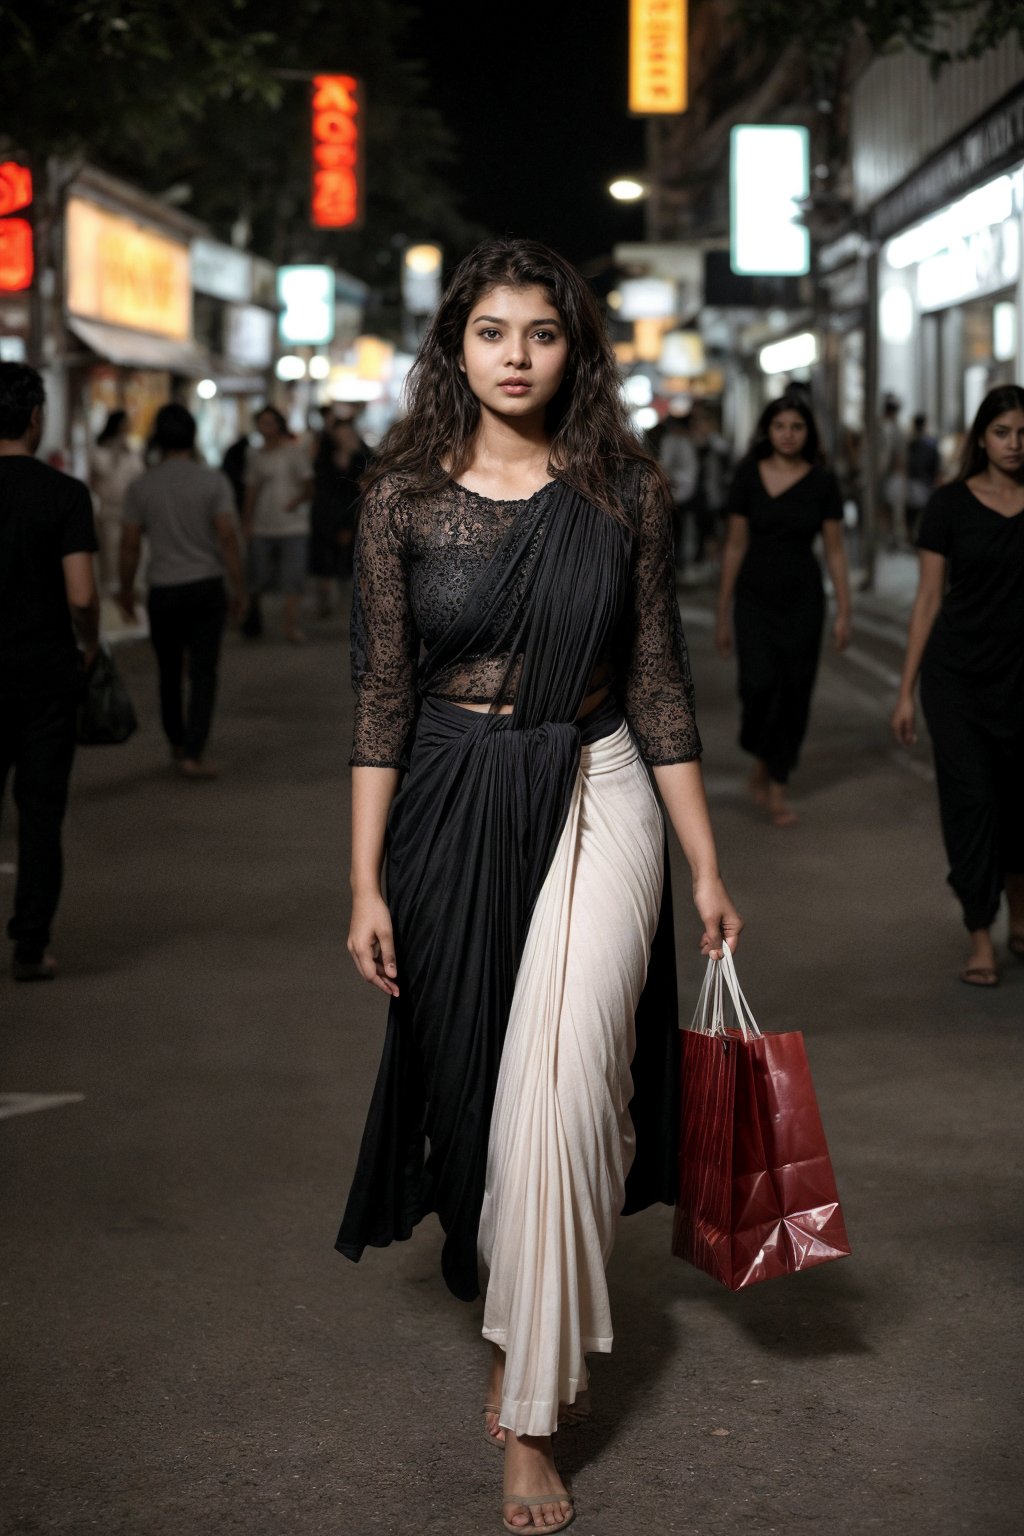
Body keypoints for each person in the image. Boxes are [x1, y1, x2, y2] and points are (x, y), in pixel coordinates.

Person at [335, 237, 742, 1535]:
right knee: (481, 1095)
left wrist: (705, 860)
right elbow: (385, 695)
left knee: (568, 1098)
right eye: (494, 331)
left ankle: (529, 1410)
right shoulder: (400, 495)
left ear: (577, 347)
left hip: (598, 777)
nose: (518, 356)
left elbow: (661, 682)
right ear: (457, 346)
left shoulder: (625, 487)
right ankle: (515, 1303)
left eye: (543, 332)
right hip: (452, 798)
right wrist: (363, 880)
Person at [891, 385, 1024, 987]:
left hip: (1022, 679)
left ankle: (1019, 918)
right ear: (981, 438)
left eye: (1023, 433)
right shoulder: (948, 505)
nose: (1014, 445)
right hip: (957, 680)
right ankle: (980, 934)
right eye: (1002, 433)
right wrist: (904, 690)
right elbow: (926, 601)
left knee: (1020, 803)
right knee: (971, 803)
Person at [0, 362, 100, 980]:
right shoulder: (64, 494)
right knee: (40, 814)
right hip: (42, 676)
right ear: (37, 418)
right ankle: (30, 945)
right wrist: (89, 645)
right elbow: (83, 594)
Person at [715, 395, 852, 828]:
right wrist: (723, 611)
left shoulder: (823, 482)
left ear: (808, 433)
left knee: (794, 691)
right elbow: (735, 544)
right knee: (757, 686)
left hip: (803, 600)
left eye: (797, 426)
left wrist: (844, 608)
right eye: (780, 426)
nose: (789, 434)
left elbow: (834, 550)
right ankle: (761, 750)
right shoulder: (747, 476)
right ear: (767, 431)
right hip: (754, 599)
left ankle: (777, 783)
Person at [119, 403, 245, 781]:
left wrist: (125, 590)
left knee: (169, 671)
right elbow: (227, 538)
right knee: (204, 671)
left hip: (163, 589)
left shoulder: (142, 486)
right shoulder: (212, 481)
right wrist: (239, 588)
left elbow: (128, 545)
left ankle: (176, 741)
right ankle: (193, 750)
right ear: (192, 436)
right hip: (205, 586)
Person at [242, 405, 313, 643]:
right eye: (262, 423)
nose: (266, 428)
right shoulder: (255, 454)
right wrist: (247, 521)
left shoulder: (294, 452)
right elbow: (251, 489)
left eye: (270, 423)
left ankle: (290, 625)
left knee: (292, 576)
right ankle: (254, 617)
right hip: (264, 523)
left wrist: (296, 501)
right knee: (258, 574)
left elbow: (309, 486)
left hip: (292, 524)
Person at [309, 406, 371, 613]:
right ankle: (326, 599)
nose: (343, 436)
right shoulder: (325, 454)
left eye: (347, 432)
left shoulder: (362, 456)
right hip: (326, 513)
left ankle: (353, 601)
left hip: (353, 512)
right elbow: (319, 480)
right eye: (339, 432)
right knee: (326, 557)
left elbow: (366, 483)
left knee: (351, 558)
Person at [89, 409, 142, 595]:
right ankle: (111, 590)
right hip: (109, 510)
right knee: (110, 553)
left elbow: (138, 476)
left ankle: (127, 587)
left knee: (130, 549)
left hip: (130, 510)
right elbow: (97, 478)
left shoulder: (132, 451)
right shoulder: (100, 451)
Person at [658, 410, 698, 569]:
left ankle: (679, 562)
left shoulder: (685, 442)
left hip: (683, 494)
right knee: (672, 530)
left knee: (681, 531)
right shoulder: (670, 441)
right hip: (672, 494)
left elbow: (689, 472)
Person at [905, 412, 941, 537]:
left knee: (913, 514)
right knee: (923, 513)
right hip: (925, 482)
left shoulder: (910, 442)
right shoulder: (930, 442)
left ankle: (914, 535)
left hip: (914, 482)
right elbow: (936, 464)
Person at [878, 393, 907, 546]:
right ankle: (891, 537)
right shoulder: (888, 427)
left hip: (892, 474)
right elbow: (887, 454)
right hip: (891, 474)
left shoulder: (891, 427)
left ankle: (890, 537)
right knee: (892, 509)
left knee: (890, 509)